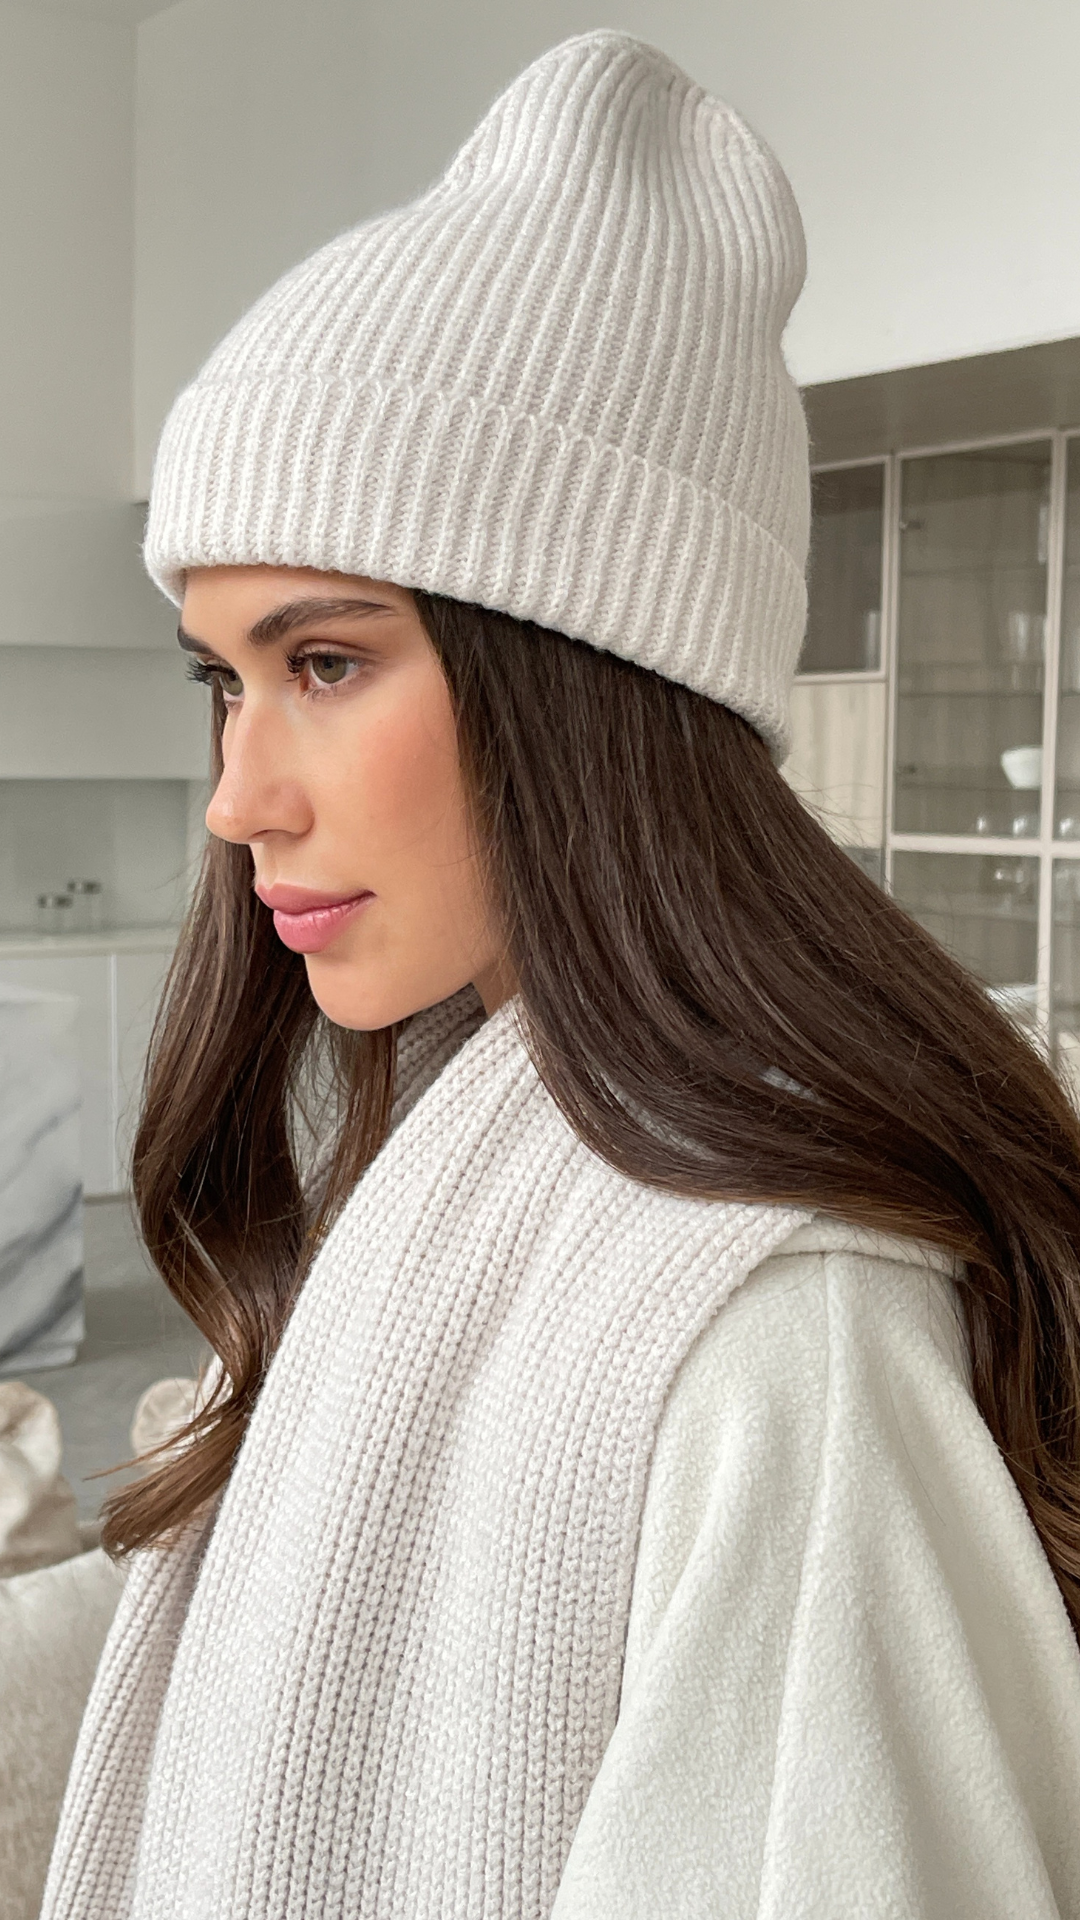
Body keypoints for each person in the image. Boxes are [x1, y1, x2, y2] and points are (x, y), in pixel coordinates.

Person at [41, 28, 1080, 1920]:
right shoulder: (438, 1159)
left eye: (327, 661)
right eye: (225, 680)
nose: (238, 797)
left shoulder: (786, 1341)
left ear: (589, 688)